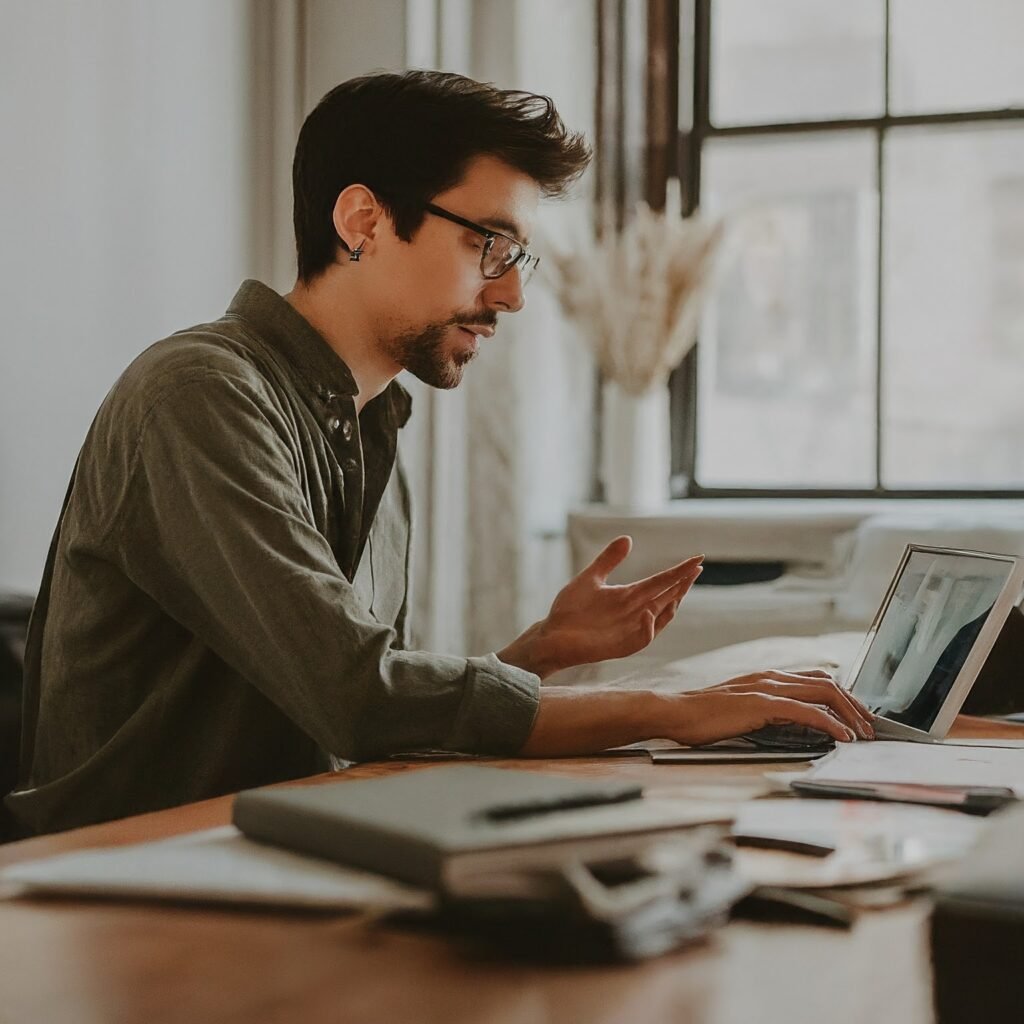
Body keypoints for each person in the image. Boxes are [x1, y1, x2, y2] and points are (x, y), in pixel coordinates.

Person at [6, 71, 873, 837]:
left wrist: (535, 654)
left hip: (277, 856)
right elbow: (355, 696)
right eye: (488, 245)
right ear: (363, 221)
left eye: (519, 254)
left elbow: (372, 710)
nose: (513, 294)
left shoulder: (376, 421)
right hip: (119, 888)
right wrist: (675, 710)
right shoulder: (197, 395)